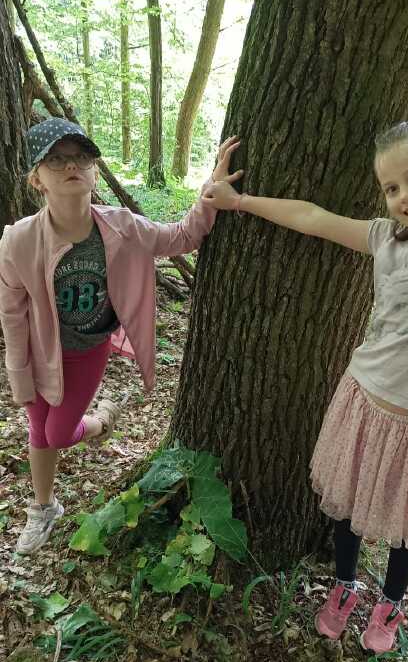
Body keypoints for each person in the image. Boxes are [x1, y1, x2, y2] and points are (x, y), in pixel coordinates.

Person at [203, 119, 408, 654]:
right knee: (346, 506)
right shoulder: (387, 239)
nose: (405, 194)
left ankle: (391, 602)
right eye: (391, 187)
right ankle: (344, 585)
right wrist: (239, 201)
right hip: (363, 403)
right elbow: (312, 218)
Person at [0, 118, 242, 556]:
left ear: (94, 171)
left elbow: (182, 236)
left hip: (87, 351)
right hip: (39, 352)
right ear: (37, 178)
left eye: (81, 157)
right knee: (39, 429)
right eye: (56, 160)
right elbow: (12, 314)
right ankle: (43, 507)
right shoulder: (18, 241)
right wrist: (19, 375)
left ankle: (100, 421)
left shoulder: (121, 226)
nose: (71, 166)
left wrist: (211, 190)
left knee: (58, 433)